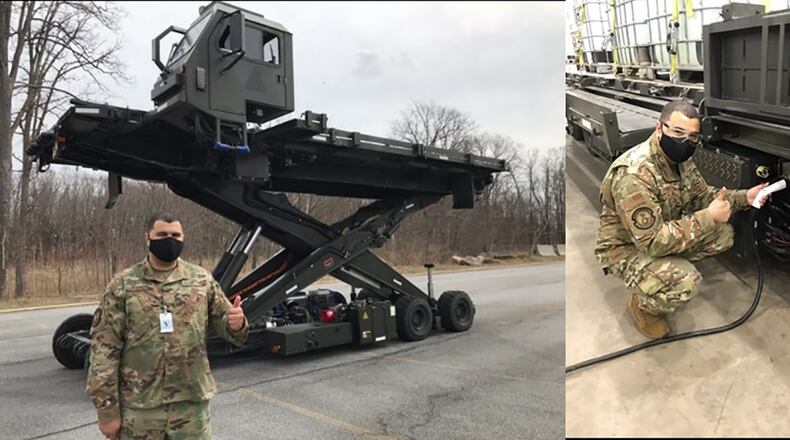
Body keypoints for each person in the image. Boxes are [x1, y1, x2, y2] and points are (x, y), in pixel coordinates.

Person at [595, 100, 769, 339]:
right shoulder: (634, 175)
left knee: (723, 235)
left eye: (693, 136)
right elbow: (651, 241)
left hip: (661, 232)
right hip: (626, 247)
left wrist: (744, 197)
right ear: (659, 128)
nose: (685, 141)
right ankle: (643, 306)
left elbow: (703, 195)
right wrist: (708, 217)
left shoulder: (680, 161)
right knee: (686, 280)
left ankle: (663, 272)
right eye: (678, 132)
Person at [86, 212, 249, 439]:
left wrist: (236, 324)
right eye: (162, 235)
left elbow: (228, 325)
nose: (170, 240)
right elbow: (104, 351)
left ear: (183, 238)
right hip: (141, 408)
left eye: (175, 235)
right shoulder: (123, 285)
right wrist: (107, 412)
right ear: (148, 238)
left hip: (191, 406)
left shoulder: (201, 279)